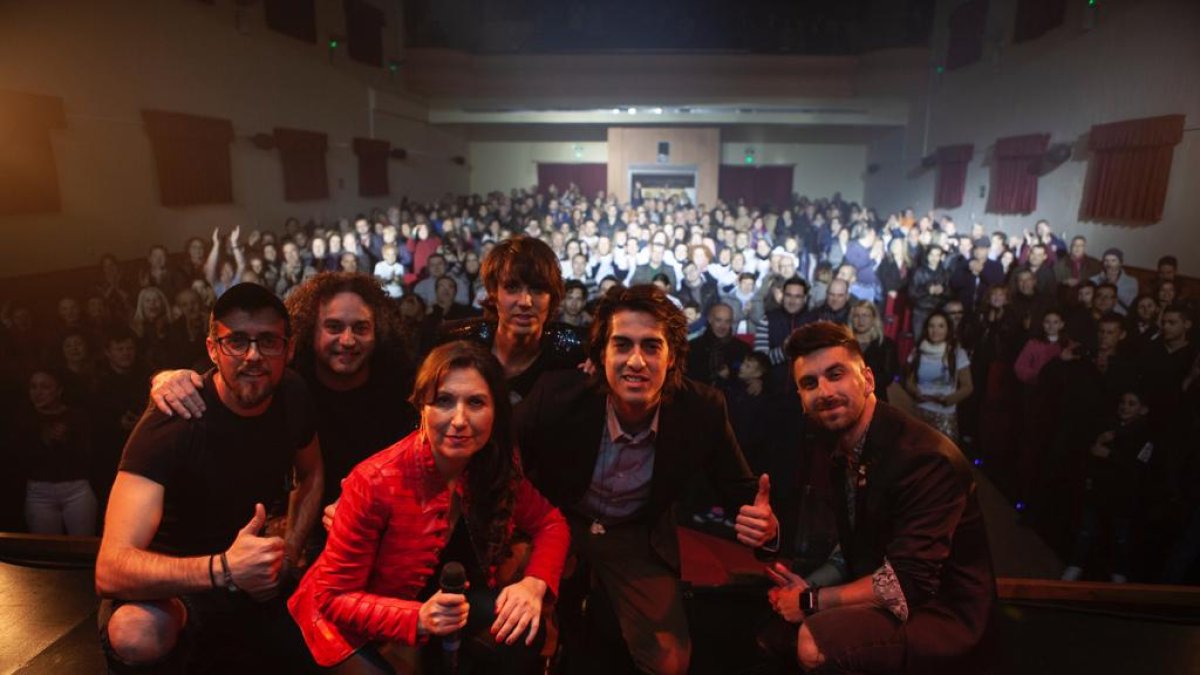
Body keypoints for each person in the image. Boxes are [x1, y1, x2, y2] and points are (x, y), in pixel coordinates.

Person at [514, 284, 778, 674]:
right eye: (621, 345)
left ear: (672, 358)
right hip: (555, 522)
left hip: (634, 534)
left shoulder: (701, 409)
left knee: (669, 660)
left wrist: (767, 528)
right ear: (600, 355)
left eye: (651, 347)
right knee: (513, 626)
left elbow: (742, 492)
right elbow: (502, 463)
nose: (636, 361)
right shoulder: (558, 395)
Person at [288, 341, 569, 673]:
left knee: (521, 628)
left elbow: (551, 523)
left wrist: (534, 584)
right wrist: (417, 618)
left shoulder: (490, 467)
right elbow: (333, 598)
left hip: (432, 610)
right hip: (346, 624)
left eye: (476, 402)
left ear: (496, 412)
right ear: (422, 407)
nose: (460, 419)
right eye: (444, 401)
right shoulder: (375, 480)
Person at [95, 283, 324, 672]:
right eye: (236, 341)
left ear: (288, 348)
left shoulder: (292, 394)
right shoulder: (173, 423)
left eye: (268, 341)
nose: (253, 356)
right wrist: (222, 569)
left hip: (248, 574)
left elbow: (312, 472)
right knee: (136, 633)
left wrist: (289, 549)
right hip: (173, 585)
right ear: (212, 349)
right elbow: (111, 568)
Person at [763, 321, 994, 674]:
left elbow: (906, 582)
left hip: (943, 617)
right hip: (895, 603)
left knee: (815, 638)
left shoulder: (922, 458)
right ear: (800, 399)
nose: (824, 391)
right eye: (810, 383)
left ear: (868, 380)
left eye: (835, 374)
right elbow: (857, 542)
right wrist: (811, 586)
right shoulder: (842, 446)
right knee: (775, 629)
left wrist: (811, 601)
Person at [150, 272, 419, 528]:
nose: (348, 340)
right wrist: (166, 377)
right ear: (310, 330)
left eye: (361, 328)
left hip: (386, 522)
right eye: (334, 327)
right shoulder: (284, 381)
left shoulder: (403, 387)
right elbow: (214, 376)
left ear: (378, 332)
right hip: (299, 531)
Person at [441, 235, 585, 400]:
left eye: (538, 289)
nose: (525, 302)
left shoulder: (575, 351)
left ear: (552, 297)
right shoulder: (458, 341)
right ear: (494, 293)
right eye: (512, 287)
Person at [12, 367, 97, 535]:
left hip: (76, 489)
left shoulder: (76, 417)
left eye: (45, 387)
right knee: (46, 549)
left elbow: (91, 455)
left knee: (83, 546)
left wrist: (67, 439)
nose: (38, 392)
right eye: (33, 387)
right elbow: (16, 459)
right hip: (39, 491)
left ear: (59, 390)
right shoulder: (23, 418)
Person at [904, 310, 973, 442]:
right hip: (920, 412)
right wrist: (915, 392)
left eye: (941, 326)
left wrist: (949, 399)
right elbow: (908, 381)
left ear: (948, 329)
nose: (935, 330)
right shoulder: (917, 351)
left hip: (944, 416)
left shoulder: (957, 353)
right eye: (932, 326)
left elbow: (968, 386)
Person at [685, 302, 750, 386]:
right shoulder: (692, 347)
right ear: (710, 319)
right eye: (718, 320)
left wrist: (756, 382)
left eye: (727, 321)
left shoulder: (743, 349)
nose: (722, 326)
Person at [849, 300, 898, 402]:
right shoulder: (843, 343)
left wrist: (860, 382)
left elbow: (888, 377)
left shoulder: (886, 345)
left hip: (876, 400)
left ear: (873, 319)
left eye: (865, 316)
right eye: (856, 316)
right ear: (851, 319)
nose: (860, 320)